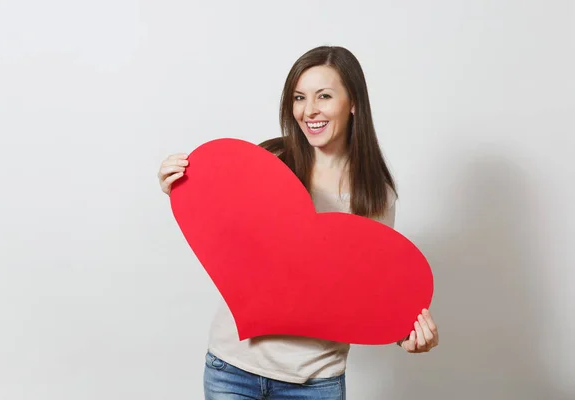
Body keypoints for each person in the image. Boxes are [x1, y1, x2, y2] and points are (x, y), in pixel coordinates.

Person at [157, 45, 439, 399]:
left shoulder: (375, 195)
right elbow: (227, 233)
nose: (309, 111)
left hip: (315, 382)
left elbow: (366, 289)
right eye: (299, 97)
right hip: (231, 370)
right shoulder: (269, 162)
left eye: (324, 96)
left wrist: (406, 333)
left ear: (353, 104)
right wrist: (182, 187)